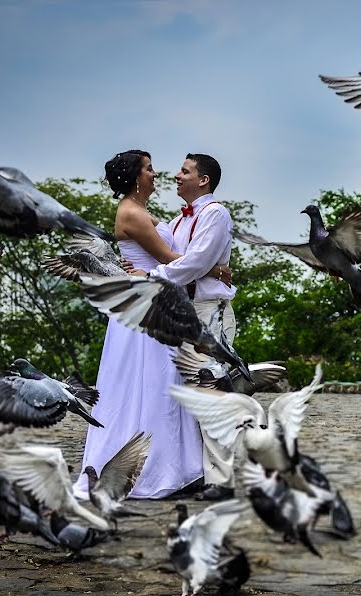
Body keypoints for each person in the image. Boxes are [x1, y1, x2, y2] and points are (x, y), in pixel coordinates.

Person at [72, 150, 229, 500]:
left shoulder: (149, 213)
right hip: (144, 308)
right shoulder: (132, 213)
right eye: (149, 169)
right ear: (135, 177)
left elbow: (184, 255)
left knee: (160, 385)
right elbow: (175, 260)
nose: (157, 174)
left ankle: (179, 466)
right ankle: (155, 469)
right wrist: (218, 269)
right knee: (147, 387)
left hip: (155, 302)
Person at [125, 153, 238, 502]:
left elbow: (193, 263)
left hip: (208, 312)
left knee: (210, 391)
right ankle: (197, 472)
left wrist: (149, 276)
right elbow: (179, 259)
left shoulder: (215, 213)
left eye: (184, 171)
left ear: (203, 180)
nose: (176, 175)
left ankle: (223, 480)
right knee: (191, 393)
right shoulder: (177, 222)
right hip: (182, 312)